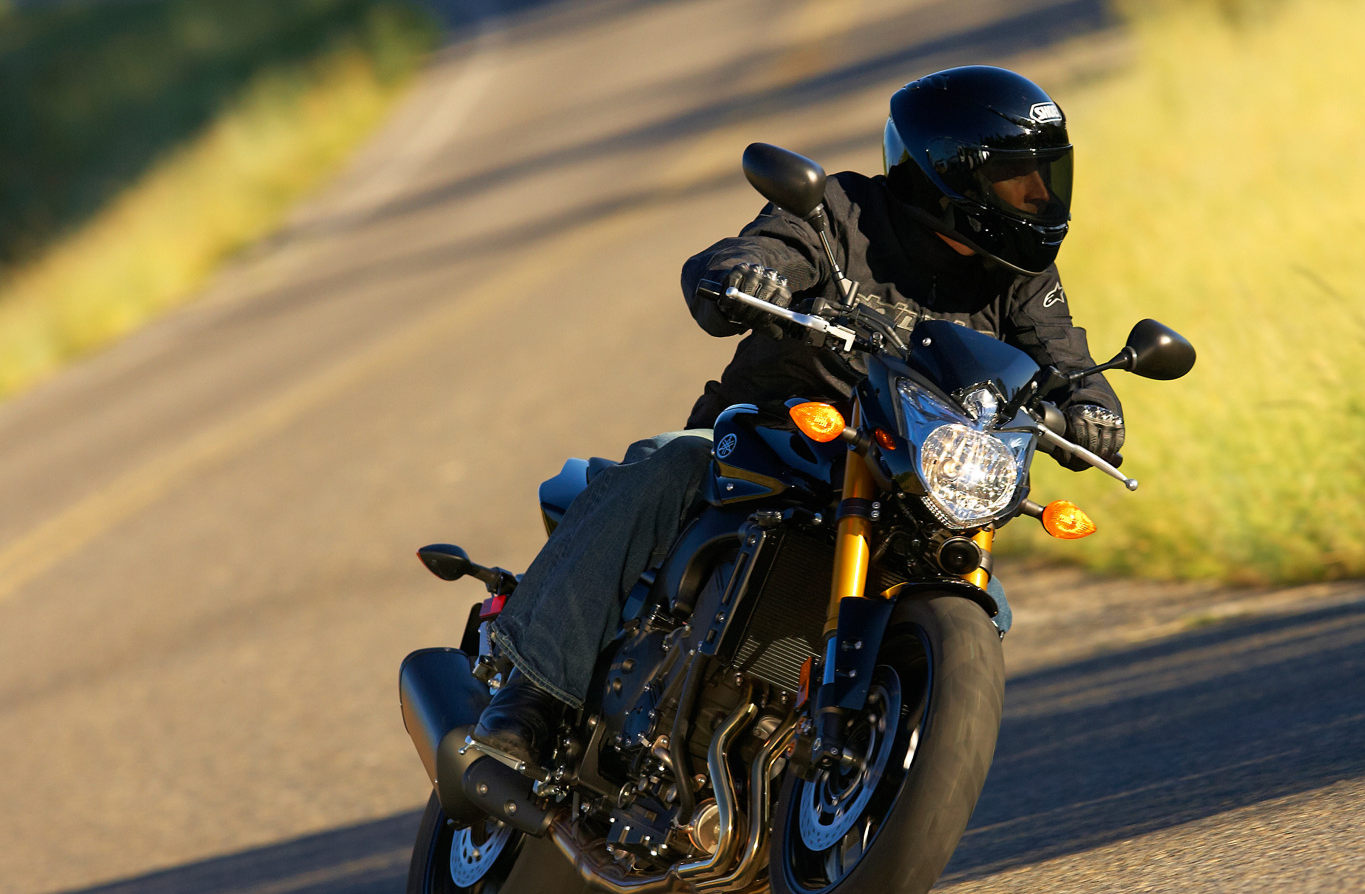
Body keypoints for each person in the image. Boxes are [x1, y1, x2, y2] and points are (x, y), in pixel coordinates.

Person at [470, 65, 1126, 765]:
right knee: (670, 462)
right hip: (767, 438)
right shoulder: (837, 211)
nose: (1038, 194)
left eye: (1046, 175)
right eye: (1017, 177)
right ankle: (533, 691)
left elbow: (1064, 356)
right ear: (952, 174)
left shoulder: (1020, 278)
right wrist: (748, 273)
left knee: (972, 586)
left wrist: (1094, 408)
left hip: (908, 473)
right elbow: (762, 249)